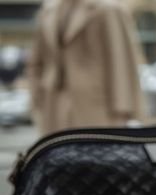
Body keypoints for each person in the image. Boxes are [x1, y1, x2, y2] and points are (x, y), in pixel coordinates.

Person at [27, 0, 145, 135]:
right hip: (52, 105)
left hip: (99, 107)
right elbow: (36, 61)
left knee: (96, 153)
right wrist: (36, 96)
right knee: (56, 153)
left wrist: (123, 108)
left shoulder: (108, 9)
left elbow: (121, 60)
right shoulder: (48, 11)